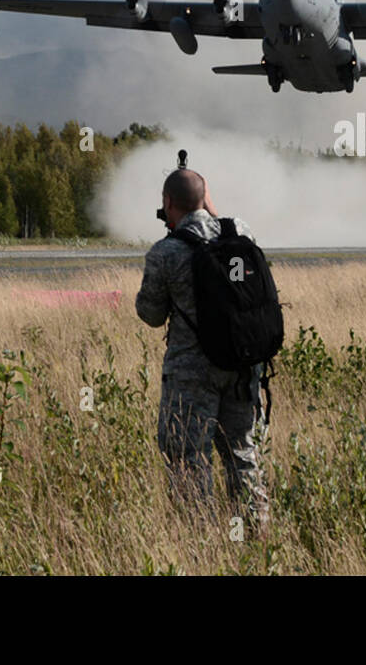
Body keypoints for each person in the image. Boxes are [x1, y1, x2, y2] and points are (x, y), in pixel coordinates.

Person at [136, 167, 269, 526]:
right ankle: (255, 533)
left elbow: (150, 314)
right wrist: (212, 211)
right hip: (241, 366)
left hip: (191, 375)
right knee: (241, 452)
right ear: (205, 198)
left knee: (186, 457)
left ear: (167, 203)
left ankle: (199, 544)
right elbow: (236, 275)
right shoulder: (240, 232)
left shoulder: (166, 253)